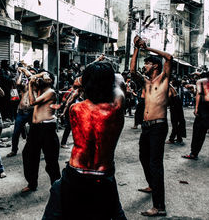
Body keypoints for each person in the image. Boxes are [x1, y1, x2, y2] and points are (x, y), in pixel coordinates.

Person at [42, 62, 126, 219]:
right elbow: (119, 78)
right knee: (114, 213)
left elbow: (80, 85)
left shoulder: (76, 109)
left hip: (75, 173)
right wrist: (102, 76)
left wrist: (86, 78)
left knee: (55, 209)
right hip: (103, 174)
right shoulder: (116, 107)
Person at [130, 35, 173, 217]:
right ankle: (151, 184)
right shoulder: (146, 83)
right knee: (143, 156)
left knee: (156, 164)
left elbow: (169, 58)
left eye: (147, 64)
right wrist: (136, 48)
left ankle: (159, 206)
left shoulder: (163, 80)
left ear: (155, 65)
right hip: (147, 126)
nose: (144, 66)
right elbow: (132, 70)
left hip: (158, 126)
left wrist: (148, 49)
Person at [21, 71, 61, 193]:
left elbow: (32, 102)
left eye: (46, 77)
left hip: (47, 129)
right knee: (29, 156)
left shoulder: (50, 92)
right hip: (35, 129)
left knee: (51, 160)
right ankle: (32, 183)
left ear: (51, 81)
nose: (42, 78)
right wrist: (27, 72)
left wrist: (30, 83)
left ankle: (57, 187)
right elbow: (31, 76)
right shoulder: (41, 90)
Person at [182, 72, 209, 161]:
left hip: (205, 106)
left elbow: (199, 93)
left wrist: (196, 108)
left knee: (199, 131)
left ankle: (193, 153)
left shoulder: (200, 81)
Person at [7, 67, 36, 157]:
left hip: (32, 112)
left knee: (33, 133)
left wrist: (25, 70)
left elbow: (31, 77)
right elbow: (18, 83)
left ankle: (31, 149)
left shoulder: (37, 87)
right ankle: (14, 150)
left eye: (32, 74)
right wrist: (20, 74)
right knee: (16, 132)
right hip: (22, 112)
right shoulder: (25, 86)